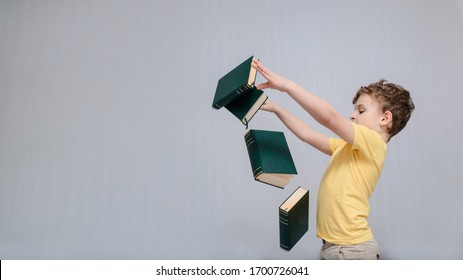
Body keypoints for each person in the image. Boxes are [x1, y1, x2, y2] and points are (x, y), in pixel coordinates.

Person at [251, 59, 415, 260]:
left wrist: (287, 86)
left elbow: (329, 118)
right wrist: (277, 108)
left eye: (361, 110)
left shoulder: (374, 143)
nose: (352, 115)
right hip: (335, 248)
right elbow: (308, 135)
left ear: (385, 119)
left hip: (351, 249)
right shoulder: (350, 149)